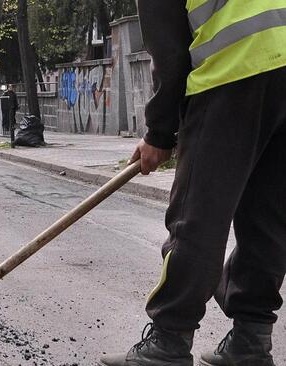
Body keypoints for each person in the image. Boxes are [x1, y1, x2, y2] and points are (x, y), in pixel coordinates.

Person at [99, 0, 286, 365]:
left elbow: (169, 53)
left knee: (198, 215)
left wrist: (158, 133)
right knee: (270, 219)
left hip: (232, 72)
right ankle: (251, 340)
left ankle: (170, 339)